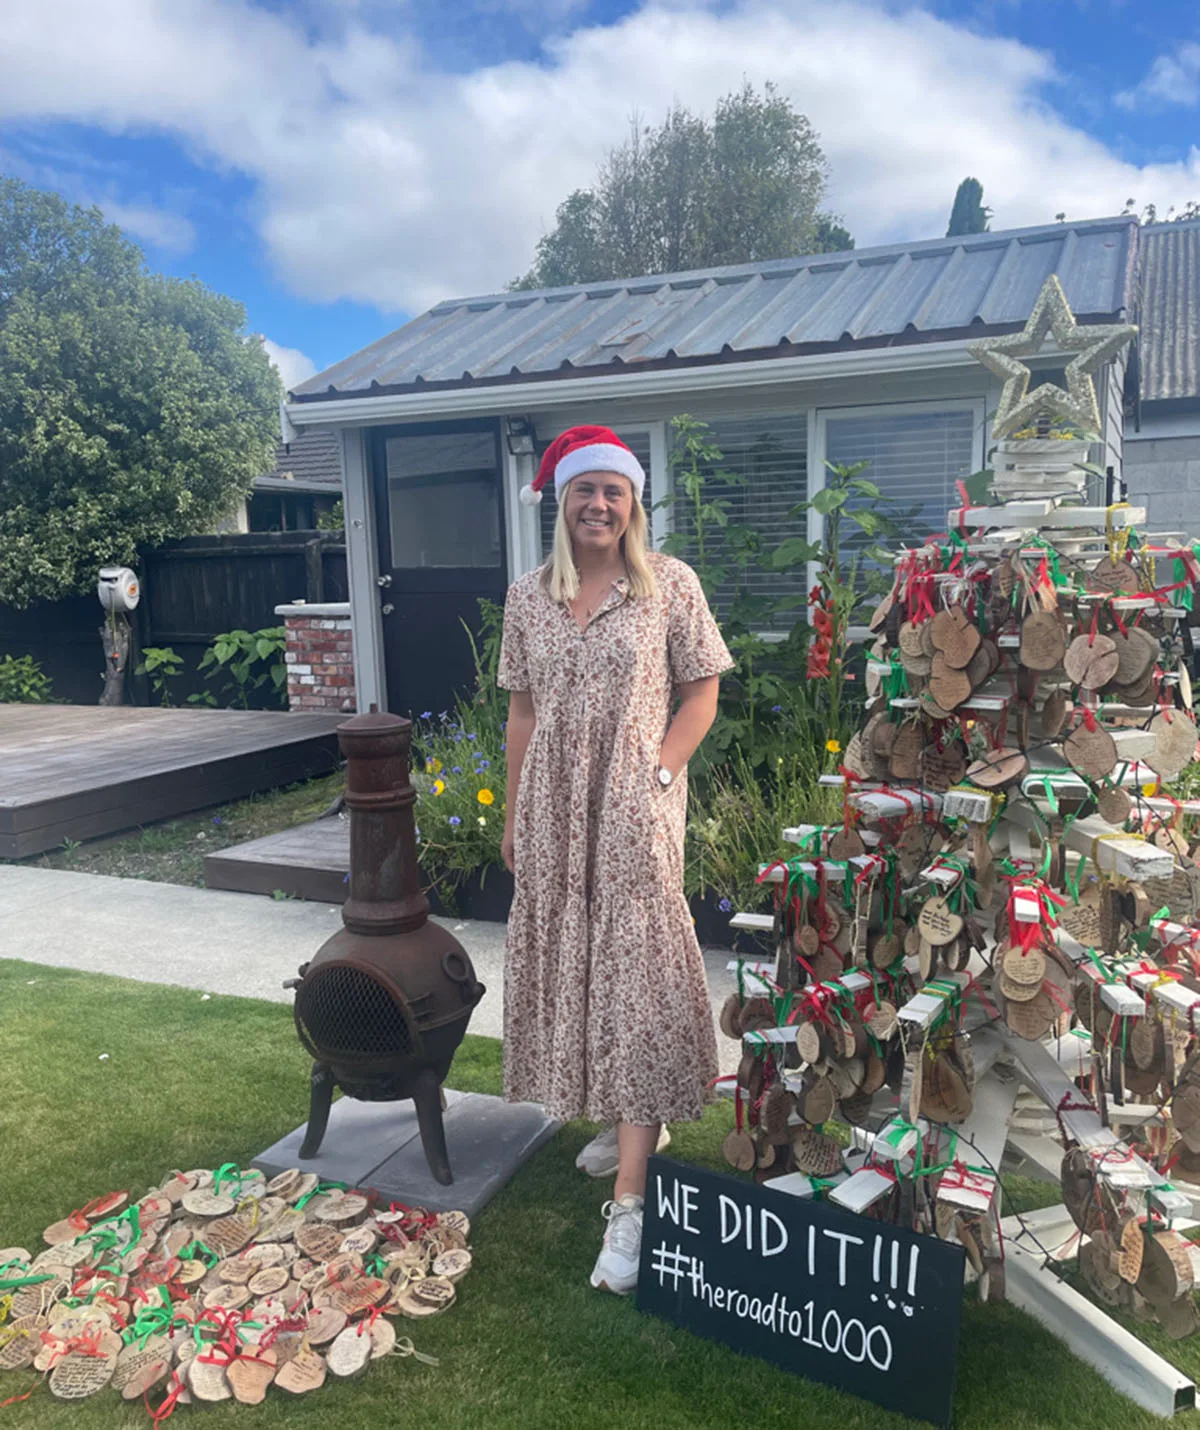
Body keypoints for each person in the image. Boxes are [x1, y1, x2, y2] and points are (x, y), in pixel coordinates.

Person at [497, 424, 732, 1295]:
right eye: (583, 491)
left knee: (634, 966)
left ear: (632, 504)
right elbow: (521, 712)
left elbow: (702, 690)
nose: (599, 505)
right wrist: (517, 812)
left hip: (635, 803)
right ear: (561, 503)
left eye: (615, 492)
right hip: (556, 806)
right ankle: (630, 1117)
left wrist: (660, 770)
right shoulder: (529, 598)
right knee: (579, 962)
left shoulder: (668, 585)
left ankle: (630, 1206)